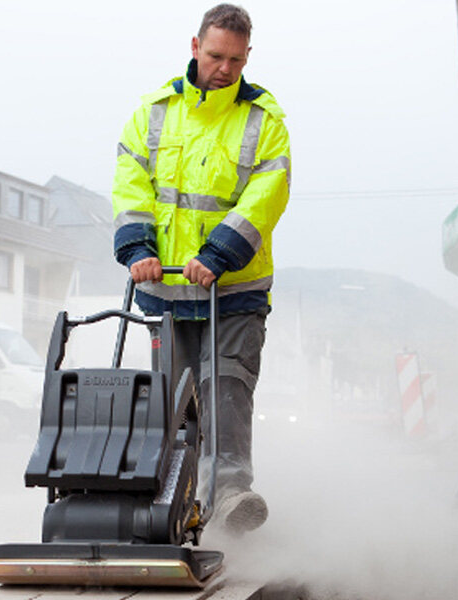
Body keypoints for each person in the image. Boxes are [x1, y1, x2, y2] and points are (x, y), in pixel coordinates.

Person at [111, 4, 290, 533]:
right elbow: (131, 185)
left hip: (233, 289)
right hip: (166, 290)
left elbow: (266, 197)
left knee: (225, 387)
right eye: (215, 56)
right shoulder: (154, 112)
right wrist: (137, 247)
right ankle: (173, 501)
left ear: (248, 56)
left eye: (236, 60)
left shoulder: (264, 121)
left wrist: (216, 256)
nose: (225, 69)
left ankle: (231, 496)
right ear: (195, 47)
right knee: (174, 402)